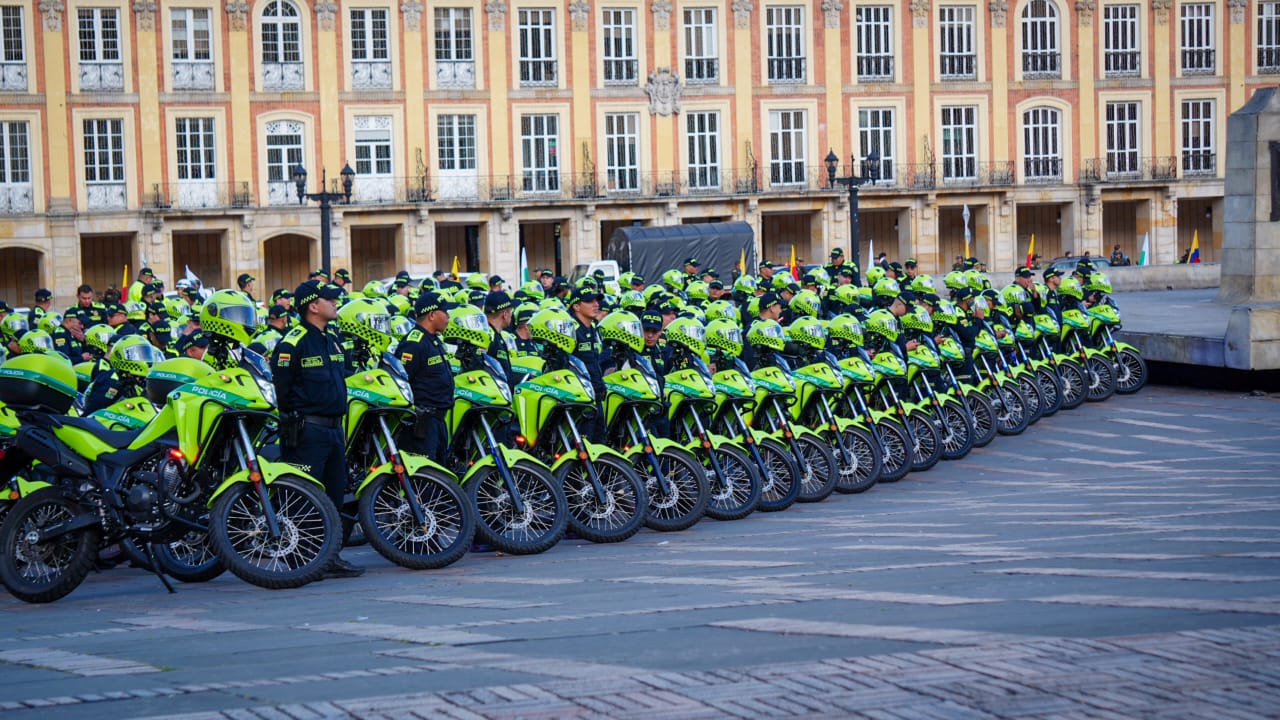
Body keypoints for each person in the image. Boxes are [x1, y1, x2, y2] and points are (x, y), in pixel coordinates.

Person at [271, 280, 362, 579]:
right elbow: (281, 389)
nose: (336, 303)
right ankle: (302, 559)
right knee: (304, 498)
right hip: (307, 431)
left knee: (335, 497)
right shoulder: (292, 342)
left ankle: (330, 556)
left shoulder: (331, 339)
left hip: (335, 429)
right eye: (330, 299)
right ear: (313, 305)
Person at [397, 291, 457, 465]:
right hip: (422, 423)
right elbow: (403, 382)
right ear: (432, 315)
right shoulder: (414, 343)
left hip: (438, 419)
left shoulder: (434, 340)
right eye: (444, 312)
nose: (448, 316)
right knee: (425, 477)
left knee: (440, 472)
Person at [483, 290, 515, 387]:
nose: (511, 316)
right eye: (511, 312)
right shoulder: (488, 334)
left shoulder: (496, 334)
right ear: (505, 314)